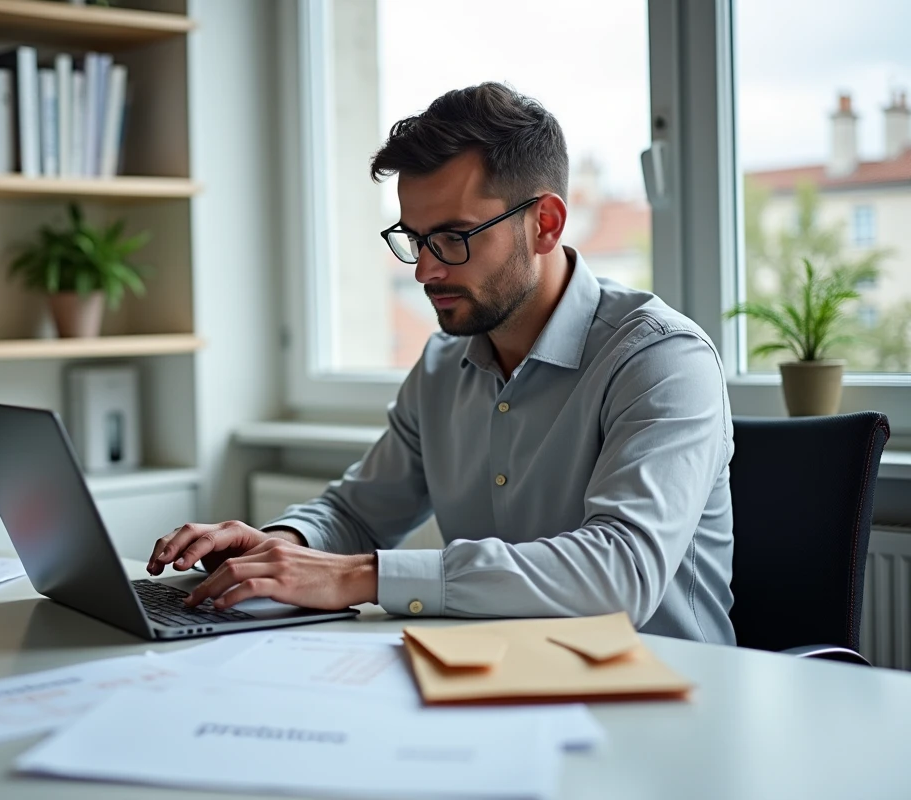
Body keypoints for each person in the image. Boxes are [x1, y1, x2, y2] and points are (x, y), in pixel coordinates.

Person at [148, 82, 735, 644]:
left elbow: (621, 573)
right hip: (492, 685)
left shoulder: (661, 360)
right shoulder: (440, 366)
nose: (425, 271)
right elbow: (358, 512)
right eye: (414, 238)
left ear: (546, 224)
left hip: (664, 696)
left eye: (453, 238)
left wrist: (359, 577)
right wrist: (276, 548)